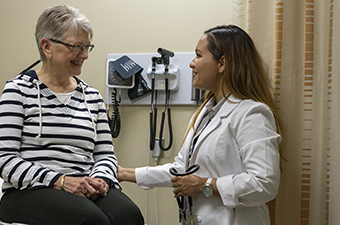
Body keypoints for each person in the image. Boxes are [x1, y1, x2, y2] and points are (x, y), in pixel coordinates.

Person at [0, 5, 144, 225]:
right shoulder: (18, 91)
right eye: (77, 47)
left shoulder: (91, 96)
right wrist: (61, 181)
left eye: (87, 46)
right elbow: (5, 159)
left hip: (83, 186)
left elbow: (105, 155)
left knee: (129, 215)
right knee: (90, 220)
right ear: (47, 46)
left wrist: (99, 179)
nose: (85, 55)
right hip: (28, 191)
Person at [118, 25, 284, 225]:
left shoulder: (252, 114)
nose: (191, 63)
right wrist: (124, 173)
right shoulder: (204, 113)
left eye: (198, 55)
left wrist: (206, 185)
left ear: (222, 63)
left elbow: (264, 184)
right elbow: (182, 169)